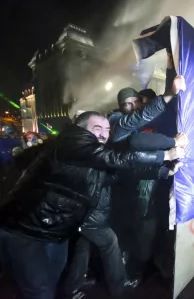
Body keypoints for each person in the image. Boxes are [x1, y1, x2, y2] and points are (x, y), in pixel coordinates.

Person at [0, 111, 181, 299]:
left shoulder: (90, 155)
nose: (104, 134)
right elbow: (116, 158)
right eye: (97, 129)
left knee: (53, 280)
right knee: (38, 291)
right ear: (81, 129)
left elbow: (118, 174)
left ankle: (71, 288)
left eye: (107, 130)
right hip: (25, 229)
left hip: (55, 231)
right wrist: (166, 154)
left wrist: (162, 172)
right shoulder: (71, 142)